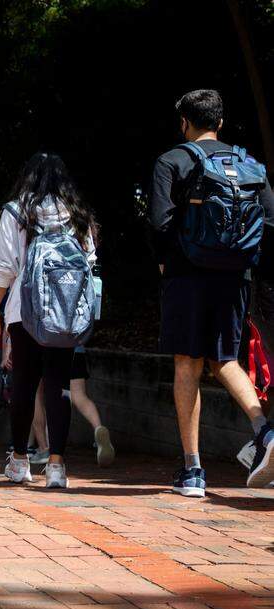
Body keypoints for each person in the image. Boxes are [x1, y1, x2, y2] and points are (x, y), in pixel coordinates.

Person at [149, 89, 274, 495]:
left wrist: (167, 261)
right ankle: (266, 432)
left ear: (184, 123)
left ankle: (192, 471)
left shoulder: (173, 160)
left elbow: (160, 222)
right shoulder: (248, 163)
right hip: (236, 276)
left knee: (187, 363)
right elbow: (268, 220)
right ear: (219, 123)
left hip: (187, 274)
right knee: (224, 357)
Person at [0, 152, 97, 490]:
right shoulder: (77, 214)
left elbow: (5, 268)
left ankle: (20, 461)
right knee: (59, 385)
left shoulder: (15, 211)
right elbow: (90, 260)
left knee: (23, 384)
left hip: (24, 311)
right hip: (64, 313)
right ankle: (57, 466)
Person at [29, 347, 115, 467]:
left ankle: (44, 449)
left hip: (47, 349)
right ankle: (98, 428)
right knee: (79, 395)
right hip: (76, 349)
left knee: (36, 394)